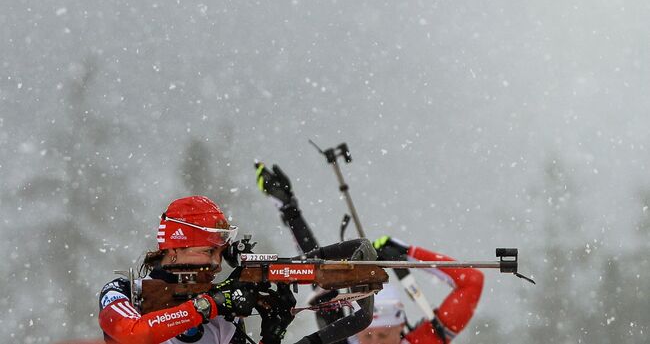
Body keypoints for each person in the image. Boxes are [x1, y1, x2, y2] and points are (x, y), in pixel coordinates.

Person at [256, 163, 484, 344]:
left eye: (383, 336)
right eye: (367, 335)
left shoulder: (426, 340)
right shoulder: (340, 338)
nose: (374, 343)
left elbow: (472, 280)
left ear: (400, 326)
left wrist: (407, 252)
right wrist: (290, 210)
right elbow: (317, 267)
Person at [98, 195, 295, 344]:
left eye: (221, 253)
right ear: (174, 249)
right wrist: (207, 306)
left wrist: (271, 337)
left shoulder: (223, 311)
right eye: (208, 251)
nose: (217, 264)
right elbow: (134, 334)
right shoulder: (124, 291)